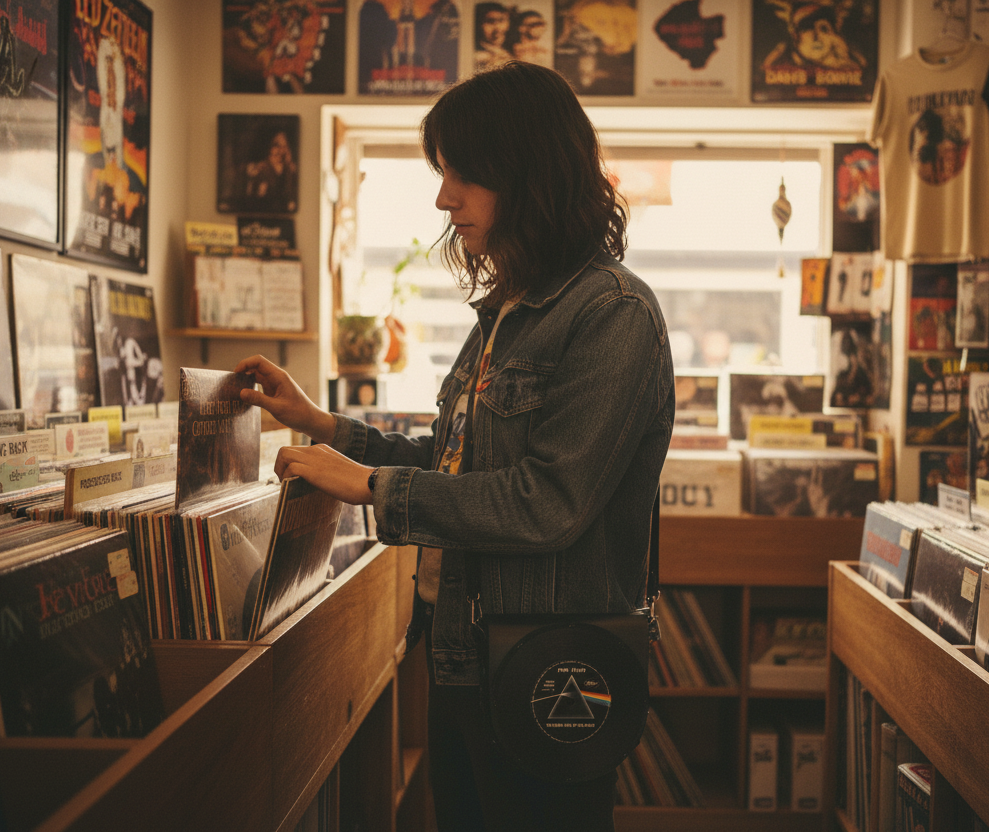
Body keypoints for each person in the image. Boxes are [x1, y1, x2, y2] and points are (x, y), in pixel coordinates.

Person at [236, 61, 674, 832]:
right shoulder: (507, 311)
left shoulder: (613, 313)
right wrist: (324, 425)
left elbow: (546, 505)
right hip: (459, 652)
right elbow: (454, 465)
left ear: (530, 174)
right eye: (444, 174)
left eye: (465, 175)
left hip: (542, 667)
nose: (444, 198)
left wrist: (369, 487)